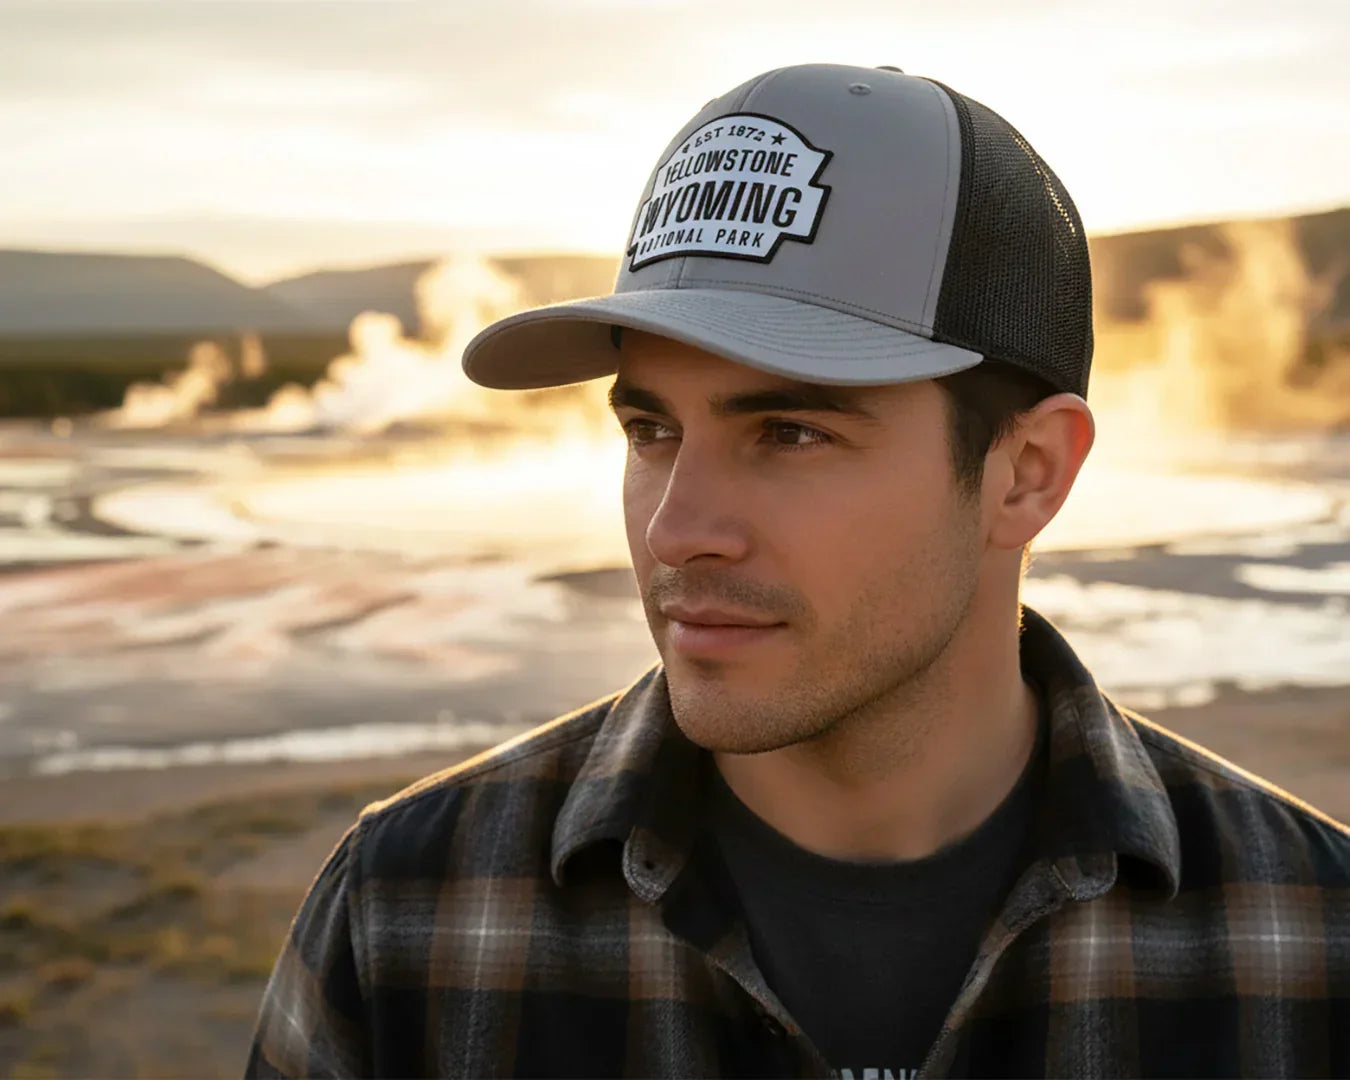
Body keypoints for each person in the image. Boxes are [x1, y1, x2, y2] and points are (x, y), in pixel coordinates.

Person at [246, 63, 1350, 1078]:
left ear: (1026, 474)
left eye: (789, 433)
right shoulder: (407, 916)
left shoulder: (1309, 943)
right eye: (650, 431)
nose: (678, 531)